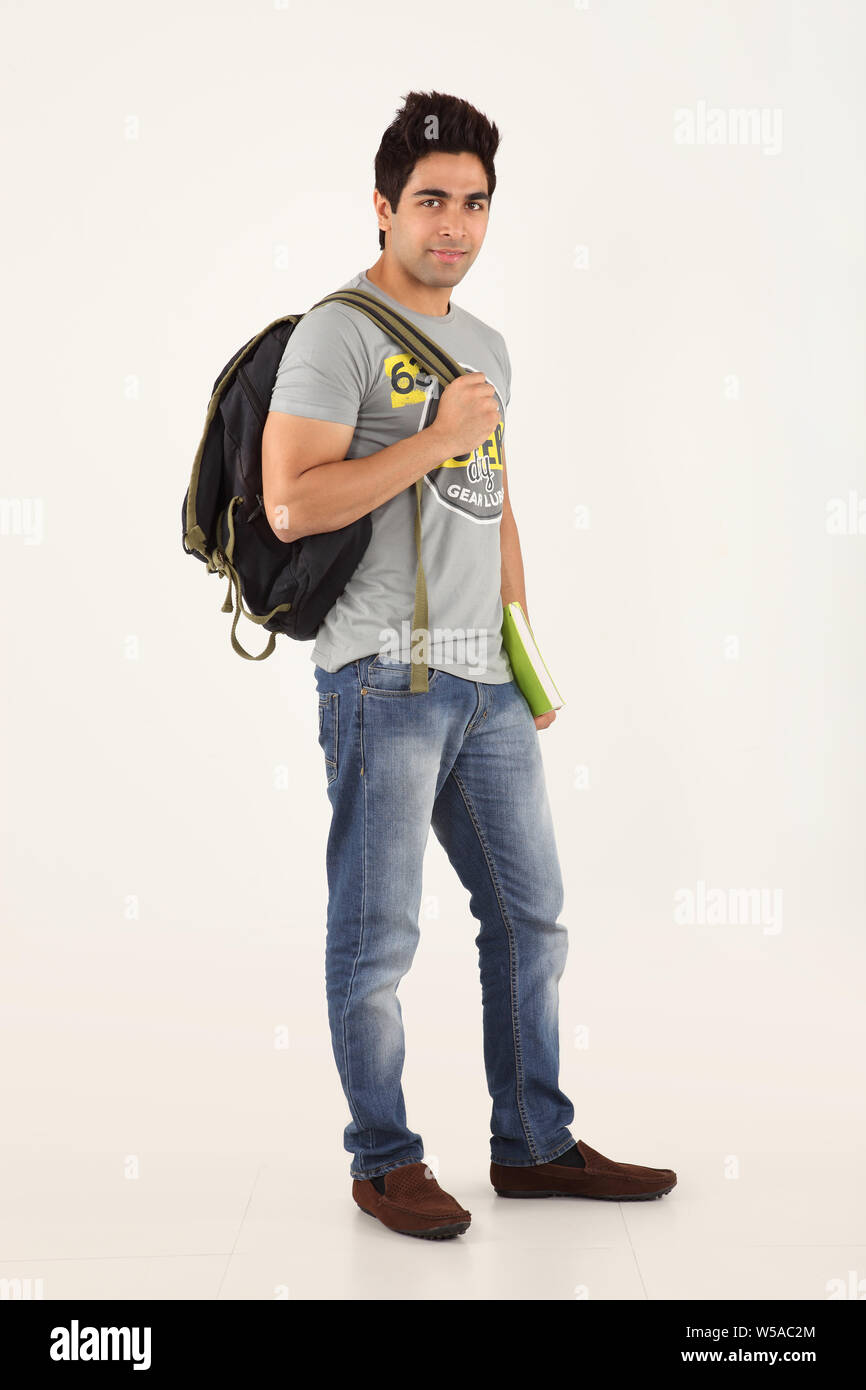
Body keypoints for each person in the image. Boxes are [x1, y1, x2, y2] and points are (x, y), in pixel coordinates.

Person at [262, 90, 676, 1240]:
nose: (455, 223)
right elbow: (293, 502)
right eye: (432, 200)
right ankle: (383, 1158)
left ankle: (534, 1143)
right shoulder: (335, 333)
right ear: (385, 208)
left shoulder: (485, 345)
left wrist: (523, 657)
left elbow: (492, 510)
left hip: (482, 684)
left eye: (475, 203)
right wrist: (432, 436)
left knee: (531, 918)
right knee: (378, 937)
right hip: (380, 679)